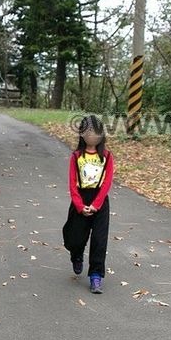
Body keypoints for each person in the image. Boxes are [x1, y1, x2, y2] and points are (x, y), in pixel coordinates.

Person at [62, 115, 114, 294]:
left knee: (99, 241)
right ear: (82, 134)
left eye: (96, 132)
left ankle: (96, 276)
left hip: (99, 201)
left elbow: (107, 183)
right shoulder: (76, 156)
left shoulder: (106, 156)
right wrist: (79, 205)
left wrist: (97, 204)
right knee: (75, 237)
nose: (92, 135)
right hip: (81, 199)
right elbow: (72, 182)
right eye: (88, 132)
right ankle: (76, 254)